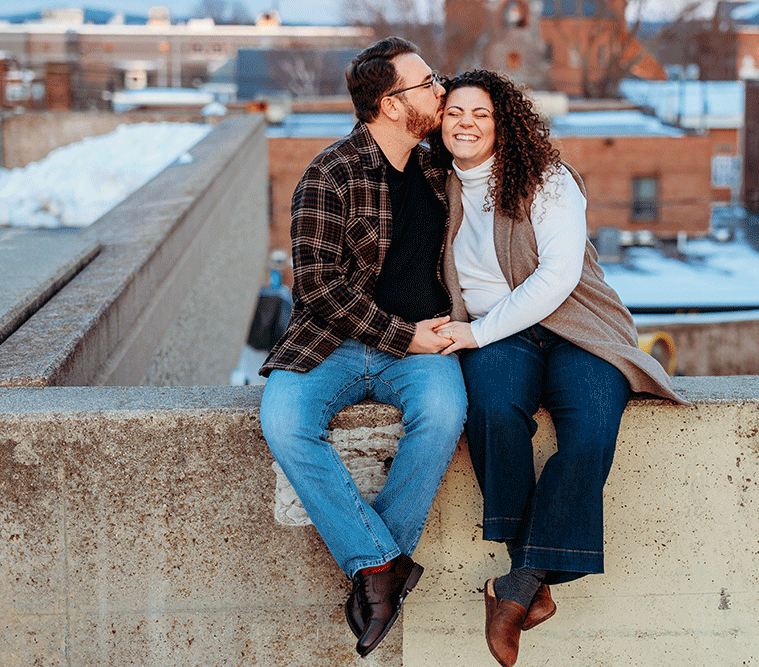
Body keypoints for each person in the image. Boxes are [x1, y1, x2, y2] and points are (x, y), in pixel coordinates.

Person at [431, 70, 686, 667]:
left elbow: (558, 277)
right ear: (439, 121)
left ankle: (518, 582)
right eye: (454, 112)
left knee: (595, 423)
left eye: (481, 114)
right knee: (493, 408)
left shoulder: (545, 180)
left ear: (504, 123)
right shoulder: (435, 188)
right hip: (500, 334)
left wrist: (475, 332)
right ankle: (528, 581)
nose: (465, 123)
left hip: (575, 326)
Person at [259, 37, 467, 657]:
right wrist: (404, 336)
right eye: (427, 83)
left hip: (425, 346)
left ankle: (375, 569)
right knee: (285, 419)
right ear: (388, 102)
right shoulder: (330, 175)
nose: (441, 91)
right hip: (339, 343)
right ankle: (382, 566)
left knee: (445, 416)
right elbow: (319, 288)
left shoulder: (438, 170)